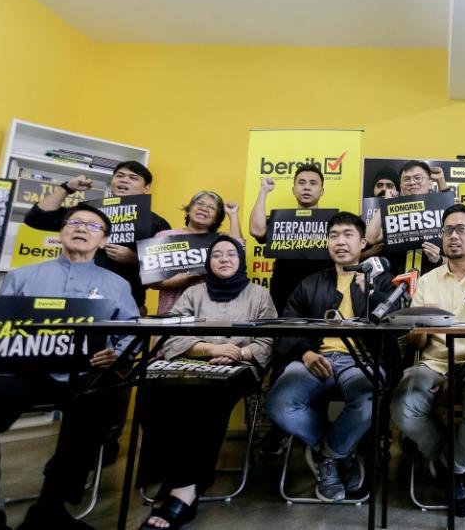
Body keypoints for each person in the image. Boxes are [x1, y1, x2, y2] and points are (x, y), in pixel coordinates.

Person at [0, 204, 139, 530]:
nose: (81, 228)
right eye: (74, 222)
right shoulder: (22, 277)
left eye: (92, 226)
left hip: (84, 374)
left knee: (102, 397)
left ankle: (51, 508)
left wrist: (117, 354)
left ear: (104, 241)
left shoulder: (117, 285)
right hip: (24, 373)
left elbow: (131, 332)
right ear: (61, 233)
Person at [137, 236, 273, 529]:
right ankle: (176, 479)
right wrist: (210, 349)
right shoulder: (193, 293)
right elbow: (173, 334)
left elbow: (268, 339)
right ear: (208, 262)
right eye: (217, 255)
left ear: (241, 261)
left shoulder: (259, 294)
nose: (224, 259)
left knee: (206, 397)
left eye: (231, 255)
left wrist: (237, 353)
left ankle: (183, 490)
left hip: (239, 366)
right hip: (192, 361)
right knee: (153, 392)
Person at [266, 212, 399, 502]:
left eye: (348, 235)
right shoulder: (309, 282)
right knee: (279, 403)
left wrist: (374, 295)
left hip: (362, 362)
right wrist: (305, 352)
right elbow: (287, 325)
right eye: (334, 235)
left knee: (371, 398)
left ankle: (328, 455)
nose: (340, 241)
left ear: (363, 242)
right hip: (316, 360)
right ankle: (340, 452)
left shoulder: (384, 281)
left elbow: (397, 325)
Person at [390, 204, 465, 517]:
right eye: (447, 230)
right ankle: (461, 466)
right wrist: (421, 324)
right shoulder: (427, 281)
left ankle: (450, 469)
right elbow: (415, 343)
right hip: (432, 363)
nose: (453, 236)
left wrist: (460, 378)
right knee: (403, 406)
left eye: (462, 230)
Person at [24, 160, 171, 311]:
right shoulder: (89, 213)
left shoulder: (156, 223)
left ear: (146, 187)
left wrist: (135, 259)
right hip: (73, 298)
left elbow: (165, 274)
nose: (124, 180)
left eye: (133, 178)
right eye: (119, 176)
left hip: (127, 304)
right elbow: (36, 219)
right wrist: (66, 188)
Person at [249, 164, 331, 313]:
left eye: (313, 183)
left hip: (322, 289)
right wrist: (264, 191)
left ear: (322, 191)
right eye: (301, 182)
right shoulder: (281, 220)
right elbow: (256, 230)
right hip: (284, 289)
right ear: (293, 189)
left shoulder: (333, 222)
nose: (306, 187)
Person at [151, 190, 242, 316]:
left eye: (211, 207)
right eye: (200, 204)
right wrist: (173, 281)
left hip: (211, 312)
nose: (204, 209)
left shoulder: (219, 240)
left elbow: (238, 252)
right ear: (189, 210)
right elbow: (151, 280)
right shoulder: (164, 237)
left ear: (216, 219)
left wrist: (233, 215)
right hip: (171, 312)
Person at [365, 160, 450, 275]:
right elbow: (370, 238)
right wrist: (386, 205)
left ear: (430, 183)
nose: (412, 182)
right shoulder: (394, 212)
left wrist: (439, 259)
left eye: (418, 178)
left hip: (433, 285)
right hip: (396, 286)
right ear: (400, 186)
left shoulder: (441, 212)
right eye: (406, 179)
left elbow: (459, 262)